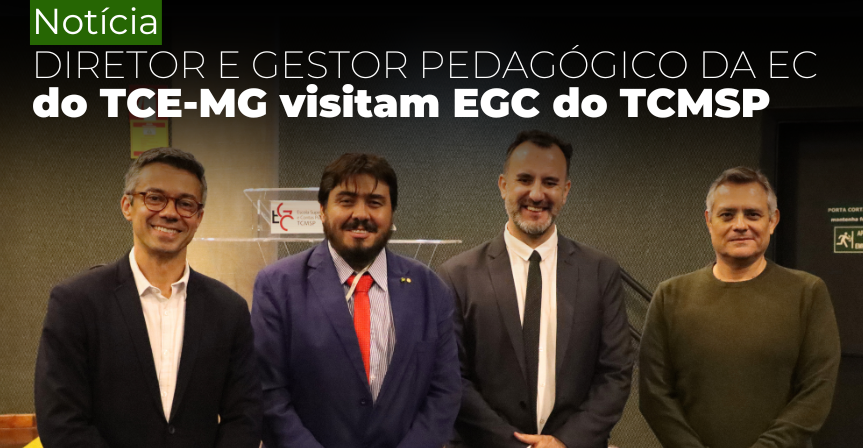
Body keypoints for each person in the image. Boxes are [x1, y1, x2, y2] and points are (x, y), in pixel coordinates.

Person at [35, 147, 261, 448]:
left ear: (199, 217)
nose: (170, 212)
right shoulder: (75, 303)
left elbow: (244, 417)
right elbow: (60, 421)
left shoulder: (229, 310)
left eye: (185, 203)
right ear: (127, 206)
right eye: (155, 198)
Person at [438, 130, 633, 448]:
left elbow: (615, 373)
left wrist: (566, 442)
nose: (537, 194)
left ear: (565, 191)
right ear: (503, 185)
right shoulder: (457, 276)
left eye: (550, 182)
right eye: (525, 180)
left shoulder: (601, 272)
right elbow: (451, 376)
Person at [251, 153, 460, 448]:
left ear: (392, 213)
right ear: (322, 210)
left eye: (375, 202)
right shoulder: (277, 286)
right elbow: (268, 394)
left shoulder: (430, 289)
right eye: (346, 201)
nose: (361, 214)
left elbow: (444, 392)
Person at [639, 167, 841, 448]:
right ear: (709, 221)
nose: (740, 225)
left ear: (773, 220)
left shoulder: (807, 293)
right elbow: (654, 395)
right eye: (727, 215)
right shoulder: (670, 296)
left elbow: (816, 393)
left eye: (753, 214)